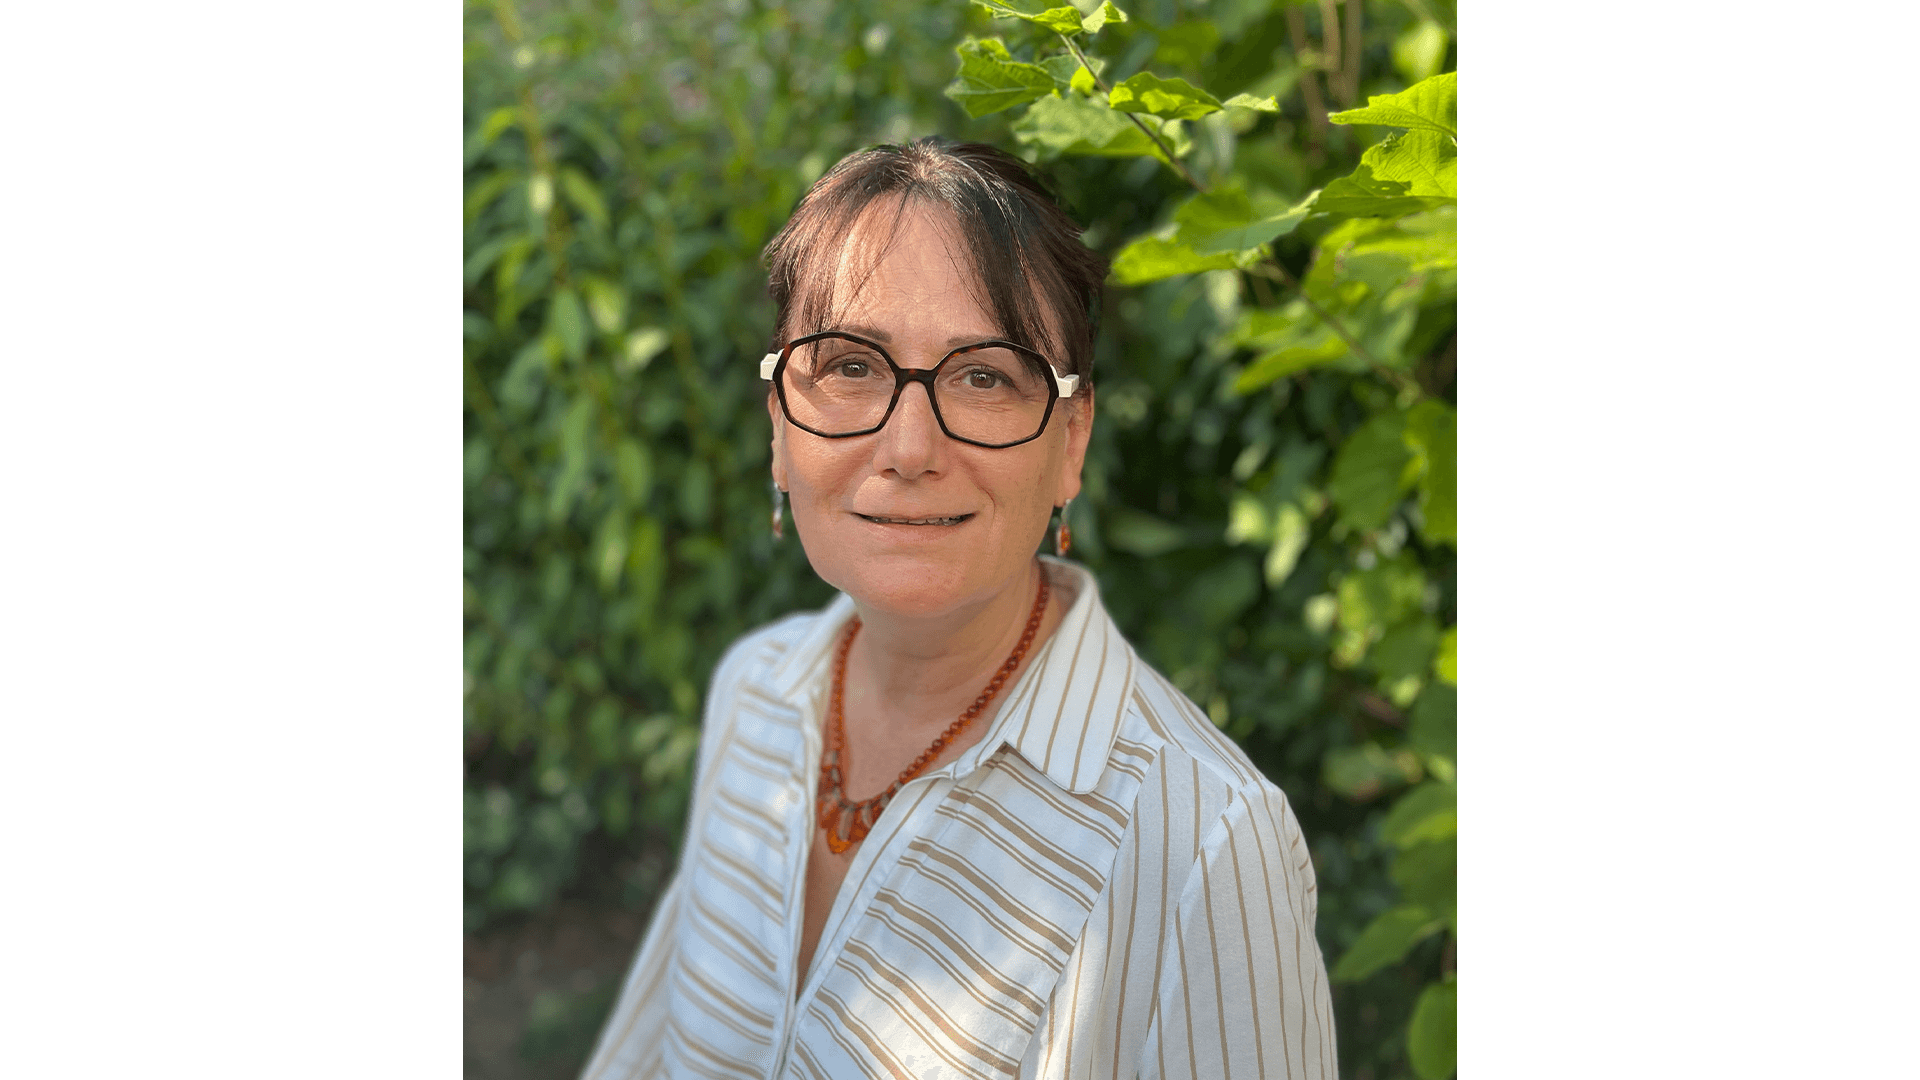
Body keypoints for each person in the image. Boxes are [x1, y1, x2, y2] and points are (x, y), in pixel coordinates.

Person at [581, 138, 1335, 1080]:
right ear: (779, 428)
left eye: (984, 376)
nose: (907, 447)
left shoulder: (1206, 843)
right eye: (850, 365)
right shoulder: (755, 696)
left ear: (1072, 441)